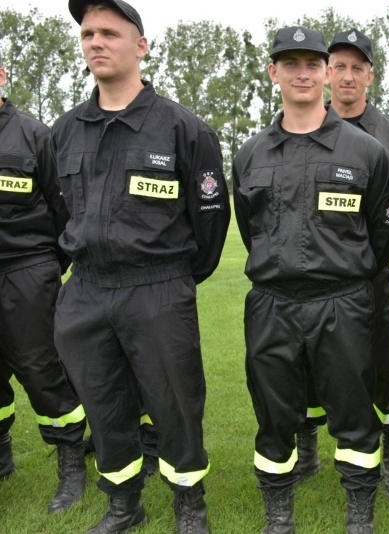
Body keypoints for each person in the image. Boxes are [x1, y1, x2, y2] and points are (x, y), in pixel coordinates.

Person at [51, 2, 230, 532]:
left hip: (157, 290)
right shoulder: (64, 131)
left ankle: (188, 506)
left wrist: (171, 280)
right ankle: (124, 505)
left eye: (110, 32)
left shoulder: (184, 129)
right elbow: (59, 209)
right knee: (104, 409)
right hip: (85, 291)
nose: (95, 42)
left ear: (141, 46)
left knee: (175, 406)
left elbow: (210, 225)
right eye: (87, 33)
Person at [232, 26, 389, 534]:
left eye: (312, 63)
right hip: (272, 305)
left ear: (327, 72)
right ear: (273, 72)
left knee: (353, 415)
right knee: (275, 416)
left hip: (343, 304)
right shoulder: (249, 154)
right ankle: (279, 515)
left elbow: (382, 234)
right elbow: (247, 224)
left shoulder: (365, 152)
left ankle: (359, 515)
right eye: (290, 63)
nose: (302, 73)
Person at [293, 27, 389, 500]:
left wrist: (366, 262)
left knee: (384, 363)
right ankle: (307, 449)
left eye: (356, 67)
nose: (346, 76)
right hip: (309, 278)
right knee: (304, 364)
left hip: (370, 276)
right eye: (337, 66)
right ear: (326, 72)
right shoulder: (299, 125)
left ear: (370, 76)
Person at [0, 51, 88, 513]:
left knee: (41, 369)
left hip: (26, 268)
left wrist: (45, 267)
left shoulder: (34, 135)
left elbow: (63, 209)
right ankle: (1, 458)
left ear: (1, 76)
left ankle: (71, 462)